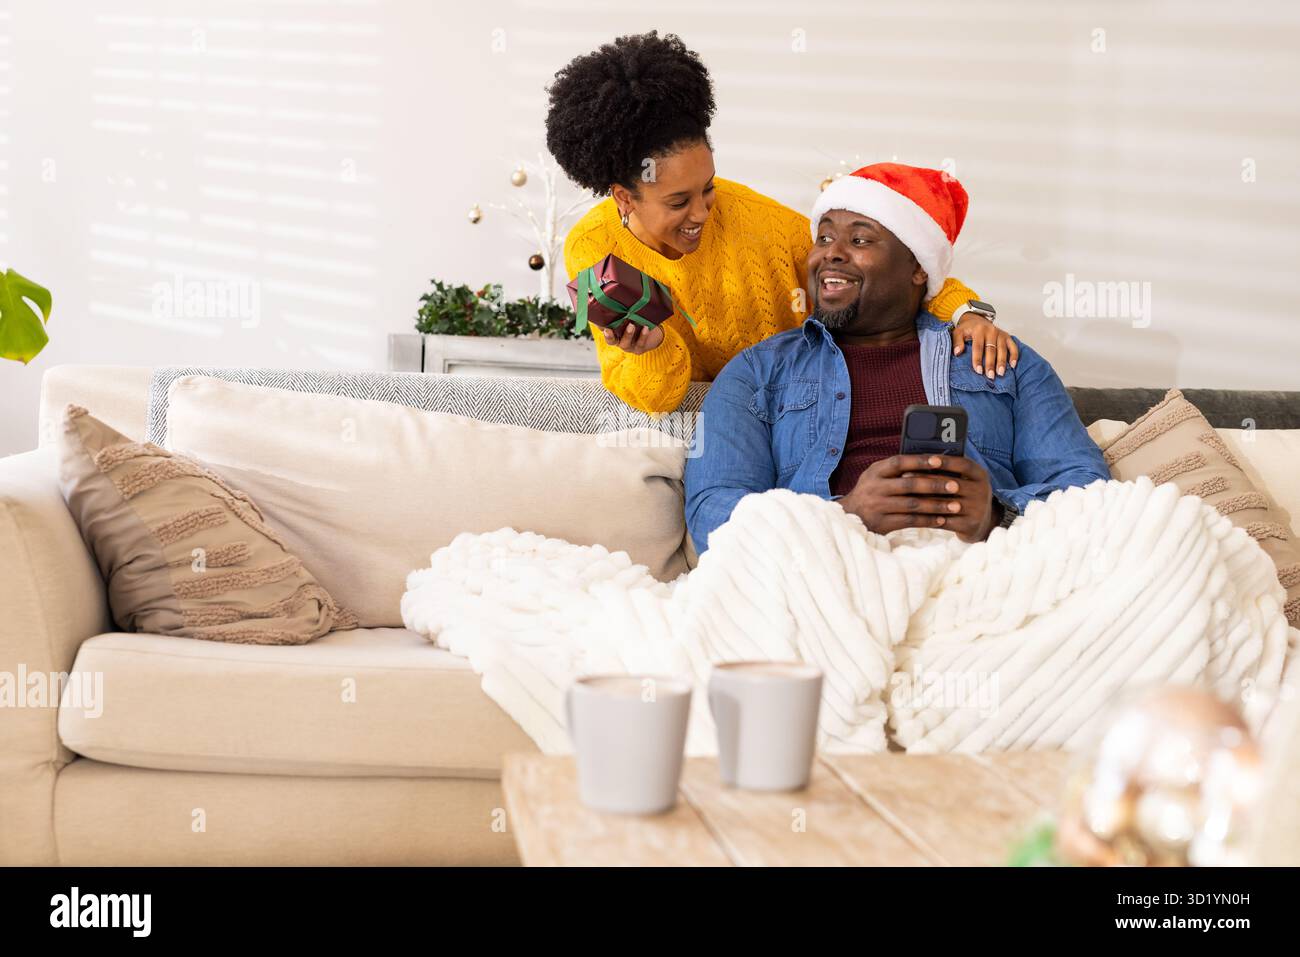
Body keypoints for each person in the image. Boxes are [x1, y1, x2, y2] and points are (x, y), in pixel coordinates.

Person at [548, 32, 1014, 415]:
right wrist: (648, 349)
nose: (702, 213)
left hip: (808, 401)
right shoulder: (590, 248)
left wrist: (966, 310)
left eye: (708, 187)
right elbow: (655, 400)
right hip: (717, 419)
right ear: (624, 195)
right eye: (678, 202)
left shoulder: (757, 219)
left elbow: (879, 264)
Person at [684, 162, 1110, 554]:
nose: (831, 252)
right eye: (825, 237)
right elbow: (712, 514)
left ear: (917, 268)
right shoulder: (757, 371)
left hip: (981, 566)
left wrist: (996, 515)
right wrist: (845, 515)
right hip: (827, 569)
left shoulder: (1002, 361)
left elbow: (1089, 492)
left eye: (860, 239)